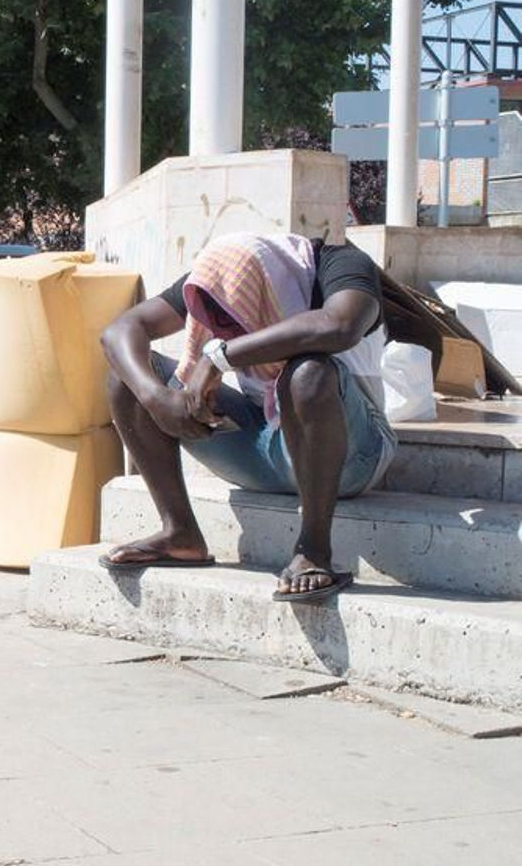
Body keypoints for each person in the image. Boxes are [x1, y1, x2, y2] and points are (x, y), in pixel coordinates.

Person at [98, 232, 395, 602]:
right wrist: (156, 398)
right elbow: (120, 330)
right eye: (217, 322)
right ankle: (180, 534)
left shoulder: (341, 264)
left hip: (353, 457)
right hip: (263, 446)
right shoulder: (218, 278)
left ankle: (313, 551)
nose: (223, 330)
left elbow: (340, 325)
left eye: (232, 315)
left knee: (307, 372)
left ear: (263, 287)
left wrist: (220, 357)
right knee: (128, 375)